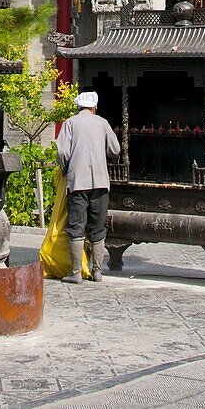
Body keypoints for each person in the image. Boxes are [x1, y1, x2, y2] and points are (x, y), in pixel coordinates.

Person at [56, 90, 121, 283]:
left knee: (76, 226)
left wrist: (66, 169)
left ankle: (76, 272)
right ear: (95, 107)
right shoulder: (102, 123)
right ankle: (98, 271)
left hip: (77, 183)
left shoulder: (70, 123)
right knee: (98, 227)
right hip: (101, 183)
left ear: (78, 106)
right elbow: (115, 150)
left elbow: (62, 153)